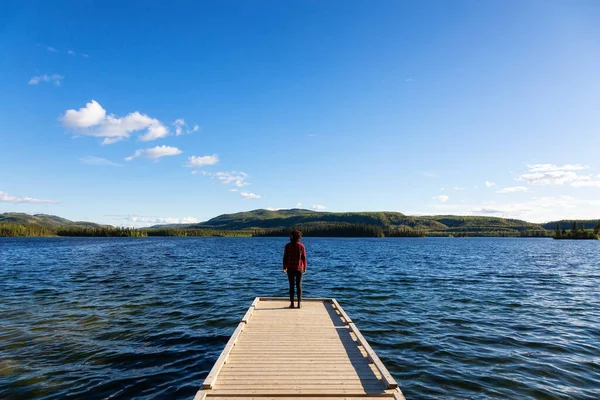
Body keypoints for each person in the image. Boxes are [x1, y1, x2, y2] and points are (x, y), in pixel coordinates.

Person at [282, 229, 307, 309]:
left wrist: (284, 267)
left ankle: (292, 303)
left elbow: (285, 257)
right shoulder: (301, 246)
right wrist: (305, 267)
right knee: (299, 286)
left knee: (291, 286)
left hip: (290, 268)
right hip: (299, 268)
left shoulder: (287, 246)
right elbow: (304, 258)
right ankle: (299, 303)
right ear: (298, 237)